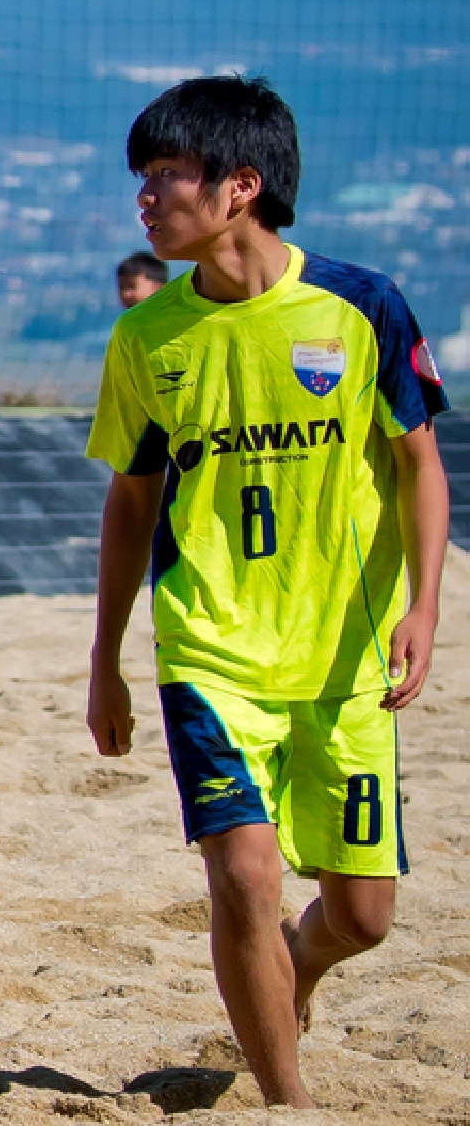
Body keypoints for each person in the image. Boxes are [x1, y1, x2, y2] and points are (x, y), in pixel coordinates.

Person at [83, 75, 443, 1110]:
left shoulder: (362, 305)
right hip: (211, 649)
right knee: (242, 874)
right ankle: (289, 1105)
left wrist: (424, 608)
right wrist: (107, 659)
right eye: (143, 176)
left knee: (364, 917)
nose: (146, 196)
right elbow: (131, 502)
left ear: (241, 186)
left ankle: (300, 963)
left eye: (167, 174)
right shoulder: (148, 337)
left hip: (344, 656)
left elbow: (419, 463)